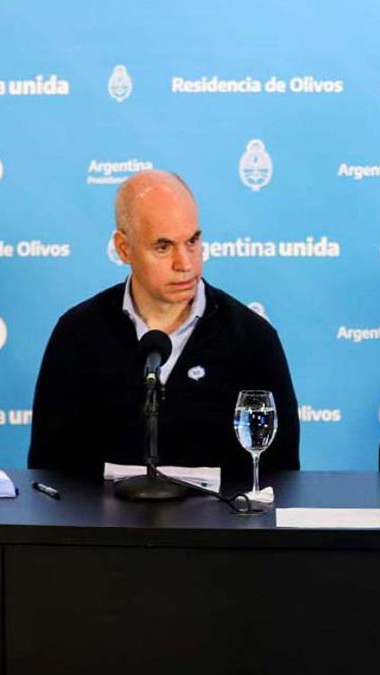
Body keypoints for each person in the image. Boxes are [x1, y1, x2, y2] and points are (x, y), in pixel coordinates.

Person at [28, 170, 300, 479]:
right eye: (163, 246)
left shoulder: (253, 339)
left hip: (219, 526)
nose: (184, 263)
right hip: (105, 527)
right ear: (123, 248)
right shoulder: (77, 334)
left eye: (193, 241)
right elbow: (48, 470)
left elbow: (281, 476)